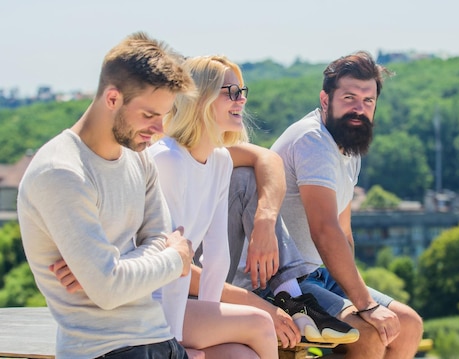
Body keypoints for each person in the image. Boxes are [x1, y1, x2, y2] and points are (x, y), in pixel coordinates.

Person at [148, 55, 356, 358]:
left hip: (184, 305)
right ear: (199, 98)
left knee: (241, 355)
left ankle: (289, 300)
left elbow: (217, 259)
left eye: (242, 92)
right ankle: (290, 301)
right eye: (230, 92)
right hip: (146, 305)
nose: (240, 100)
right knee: (260, 322)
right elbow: (168, 266)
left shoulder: (219, 161)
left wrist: (211, 318)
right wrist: (179, 346)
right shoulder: (166, 160)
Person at [17, 32, 196, 359]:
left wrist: (112, 268)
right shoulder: (61, 172)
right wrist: (175, 260)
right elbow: (111, 288)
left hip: (161, 339)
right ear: (112, 98)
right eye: (148, 115)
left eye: (163, 116)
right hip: (104, 351)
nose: (159, 130)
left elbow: (158, 237)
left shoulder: (139, 155)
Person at [270, 51, 424, 358]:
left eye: (368, 101)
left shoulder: (348, 148)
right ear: (325, 100)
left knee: (408, 324)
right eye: (350, 97)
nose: (359, 109)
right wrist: (365, 306)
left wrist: (359, 295)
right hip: (285, 281)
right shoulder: (313, 140)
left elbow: (344, 231)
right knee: (366, 333)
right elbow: (325, 231)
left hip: (320, 274)